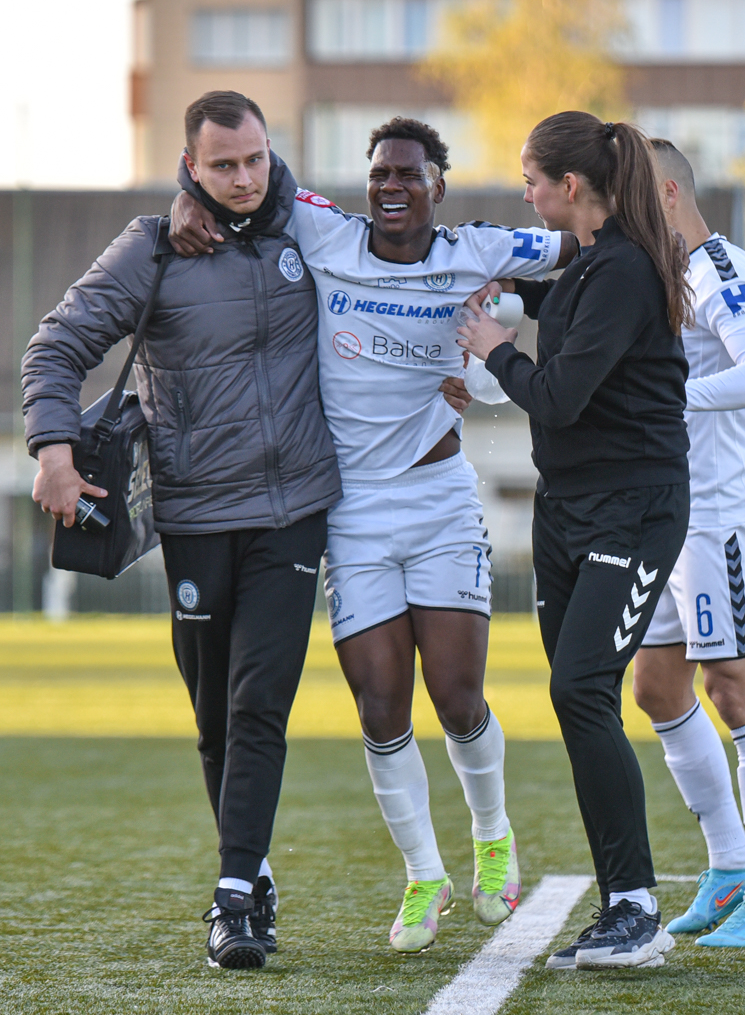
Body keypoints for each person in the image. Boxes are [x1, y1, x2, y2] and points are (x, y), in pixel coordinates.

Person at [171, 117, 576, 953]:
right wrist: (184, 201)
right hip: (351, 512)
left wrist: (506, 339)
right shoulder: (325, 232)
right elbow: (238, 185)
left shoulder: (479, 248)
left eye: (409, 174)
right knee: (382, 706)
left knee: (457, 697)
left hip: (438, 501)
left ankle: (493, 838)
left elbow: (587, 247)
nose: (392, 186)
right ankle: (424, 874)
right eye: (380, 173)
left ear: (438, 186)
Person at [21, 91, 341, 971]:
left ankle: (232, 899)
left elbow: (400, 267)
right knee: (214, 719)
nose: (243, 179)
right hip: (195, 515)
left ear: (273, 152)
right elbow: (56, 345)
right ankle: (256, 873)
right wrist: (53, 450)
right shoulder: (154, 245)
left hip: (293, 512)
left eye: (256, 160)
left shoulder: (315, 230)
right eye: (223, 166)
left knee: (258, 701)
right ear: (190, 166)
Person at [457, 112, 693, 970]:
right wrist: (509, 298)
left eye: (531, 181)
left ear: (569, 185)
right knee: (579, 697)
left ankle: (636, 908)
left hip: (634, 512)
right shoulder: (595, 262)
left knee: (582, 688)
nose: (524, 196)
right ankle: (621, 902)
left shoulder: (625, 267)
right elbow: (561, 302)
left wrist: (495, 349)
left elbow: (556, 396)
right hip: (568, 510)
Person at [630, 138, 745, 948]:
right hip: (674, 515)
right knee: (657, 687)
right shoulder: (667, 274)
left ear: (666, 194)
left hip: (720, 514)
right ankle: (729, 865)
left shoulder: (719, 268)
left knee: (734, 690)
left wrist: (668, 396)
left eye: (633, 198)